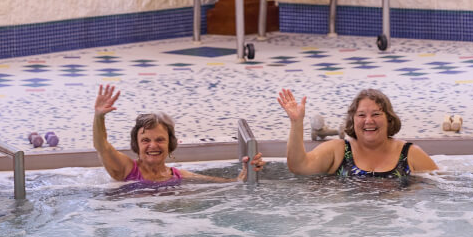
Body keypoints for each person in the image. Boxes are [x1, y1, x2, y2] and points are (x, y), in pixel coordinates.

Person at [93, 84, 263, 185]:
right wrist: (99, 116)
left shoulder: (179, 176)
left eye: (160, 139)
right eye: (145, 140)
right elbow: (102, 146)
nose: (153, 145)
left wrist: (246, 173)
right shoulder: (126, 169)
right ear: (136, 145)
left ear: (170, 144)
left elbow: (229, 185)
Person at [277, 87, 437, 179]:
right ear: (352, 120)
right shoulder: (338, 151)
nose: (368, 121)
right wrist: (296, 122)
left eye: (376, 114)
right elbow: (299, 167)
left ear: (389, 119)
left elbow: (441, 188)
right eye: (361, 115)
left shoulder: (409, 155)